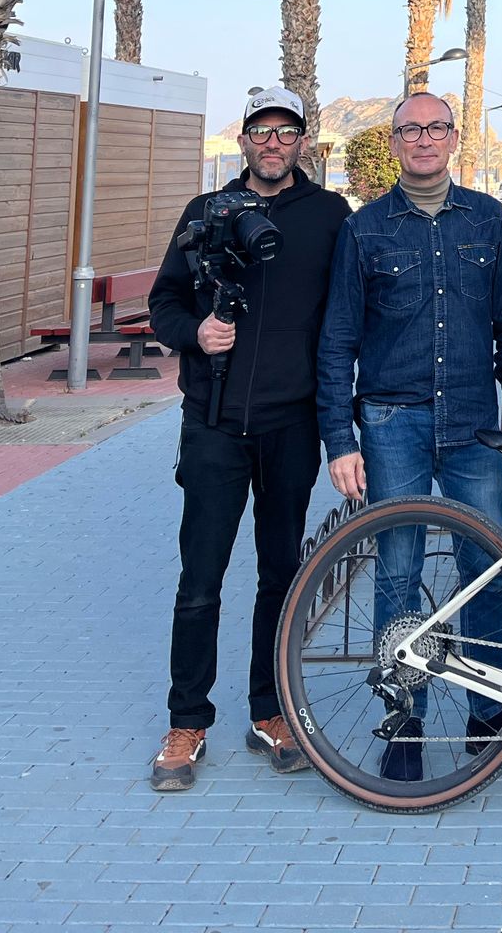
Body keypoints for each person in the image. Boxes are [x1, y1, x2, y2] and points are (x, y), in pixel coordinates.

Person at [316, 91, 502, 781]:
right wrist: (341, 438)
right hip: (393, 422)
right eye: (410, 130)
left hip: (477, 422)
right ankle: (404, 721)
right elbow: (337, 342)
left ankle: (489, 718)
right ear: (393, 144)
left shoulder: (486, 217)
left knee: (487, 568)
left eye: (436, 128)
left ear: (455, 139)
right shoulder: (364, 230)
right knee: (398, 572)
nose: (423, 139)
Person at [147, 86, 350, 792]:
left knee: (279, 576)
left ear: (302, 142)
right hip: (211, 424)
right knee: (200, 582)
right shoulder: (206, 212)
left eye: (285, 132)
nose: (273, 143)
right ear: (244, 141)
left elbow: (345, 316)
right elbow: (164, 301)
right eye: (261, 131)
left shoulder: (329, 216)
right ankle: (187, 720)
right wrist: (193, 335)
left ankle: (270, 710)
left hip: (290, 425)